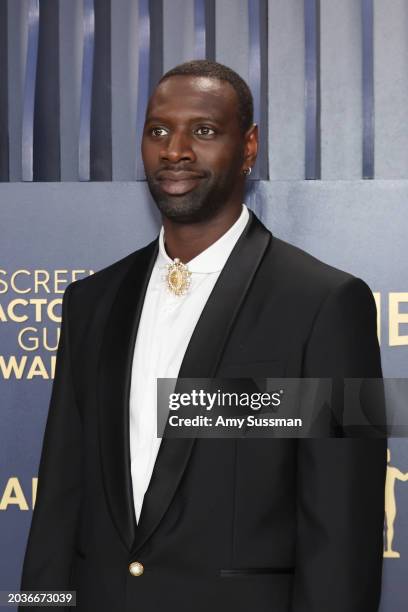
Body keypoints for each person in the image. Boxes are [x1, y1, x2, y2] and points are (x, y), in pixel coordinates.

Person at [20, 60, 386, 612]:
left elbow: (343, 538)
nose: (175, 150)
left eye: (205, 131)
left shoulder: (326, 306)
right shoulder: (92, 304)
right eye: (159, 130)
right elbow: (58, 511)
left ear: (249, 146)